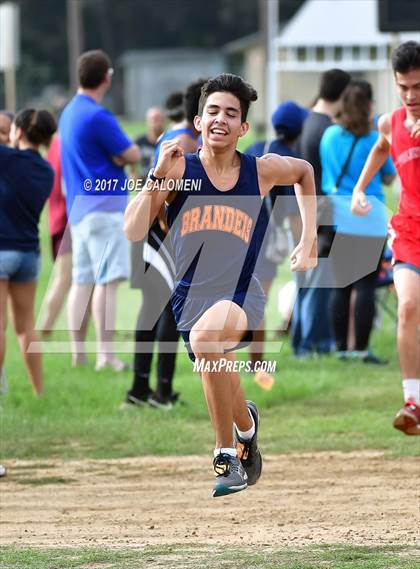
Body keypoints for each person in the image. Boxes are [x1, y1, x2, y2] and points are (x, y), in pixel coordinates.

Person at [124, 73, 317, 497]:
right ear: (197, 121)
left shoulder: (259, 171)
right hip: (190, 299)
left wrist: (309, 238)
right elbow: (134, 229)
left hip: (243, 295)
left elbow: (303, 172)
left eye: (232, 113)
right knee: (219, 373)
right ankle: (247, 430)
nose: (220, 120)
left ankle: (225, 454)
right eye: (212, 111)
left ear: (244, 128)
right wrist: (155, 175)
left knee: (209, 340)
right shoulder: (178, 170)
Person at [352, 42, 420, 435]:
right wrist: (361, 188)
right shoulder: (389, 122)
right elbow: (381, 148)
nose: (410, 96)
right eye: (403, 87)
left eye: (418, 87)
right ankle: (412, 401)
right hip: (410, 229)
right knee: (408, 306)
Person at [126, 80, 206, 409]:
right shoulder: (186, 142)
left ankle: (142, 391)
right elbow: (168, 199)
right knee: (168, 315)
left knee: (153, 312)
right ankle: (158, 392)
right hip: (164, 237)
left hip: (156, 235)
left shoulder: (174, 135)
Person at [59, 50, 140, 370]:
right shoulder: (98, 115)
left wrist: (117, 157)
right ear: (106, 77)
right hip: (105, 210)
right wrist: (120, 158)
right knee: (107, 283)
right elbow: (131, 152)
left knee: (82, 281)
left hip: (78, 211)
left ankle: (79, 353)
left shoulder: (68, 112)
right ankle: (106, 355)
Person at [320, 80, 396, 363]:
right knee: (365, 286)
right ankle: (361, 348)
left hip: (338, 215)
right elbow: (388, 175)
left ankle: (341, 347)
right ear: (368, 106)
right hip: (369, 216)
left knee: (340, 286)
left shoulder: (329, 136)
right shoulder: (373, 138)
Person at [245, 100, 308, 389]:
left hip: (234, 229)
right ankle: (255, 363)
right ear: (299, 129)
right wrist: (303, 246)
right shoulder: (290, 159)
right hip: (263, 237)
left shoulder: (256, 147)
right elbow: (295, 212)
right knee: (258, 302)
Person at [292, 69, 351, 358]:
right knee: (319, 282)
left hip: (302, 208)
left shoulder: (306, 121)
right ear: (342, 95)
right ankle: (313, 345)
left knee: (305, 281)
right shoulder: (328, 129)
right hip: (322, 211)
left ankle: (301, 342)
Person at [0, 109, 56, 395]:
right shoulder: (46, 170)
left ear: (18, 132)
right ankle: (39, 391)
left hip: (2, 249)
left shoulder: (6, 158)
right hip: (28, 255)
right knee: (26, 328)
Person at [39, 135, 72, 336]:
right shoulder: (63, 146)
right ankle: (45, 328)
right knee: (64, 278)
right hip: (66, 221)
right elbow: (65, 187)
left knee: (81, 279)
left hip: (58, 219)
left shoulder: (53, 148)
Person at [134, 106, 165, 179]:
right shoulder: (140, 141)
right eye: (152, 119)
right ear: (147, 121)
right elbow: (133, 169)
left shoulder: (169, 140)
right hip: (144, 184)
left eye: (157, 119)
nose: (155, 122)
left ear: (164, 121)